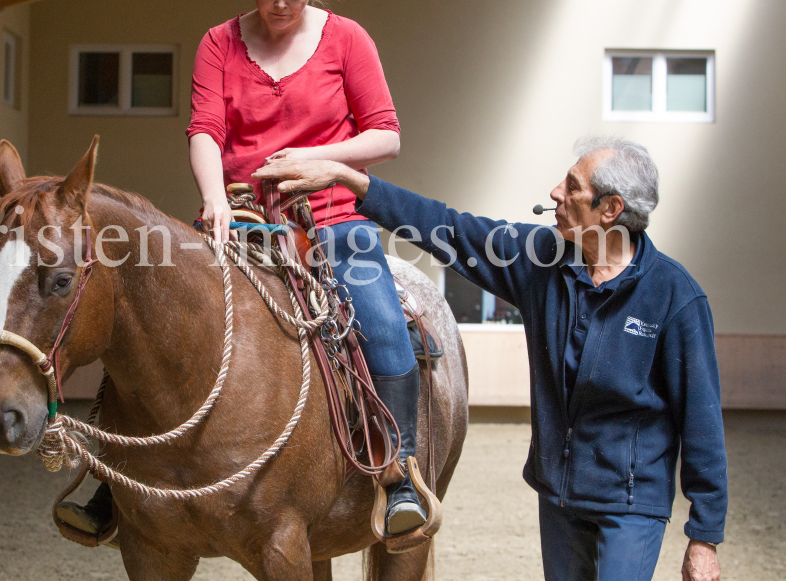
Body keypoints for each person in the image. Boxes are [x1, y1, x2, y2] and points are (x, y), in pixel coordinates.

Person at [58, 0, 429, 540]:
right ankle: (116, 481)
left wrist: (317, 161)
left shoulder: (347, 39)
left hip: (331, 217)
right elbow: (204, 128)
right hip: (238, 214)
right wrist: (212, 199)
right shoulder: (218, 43)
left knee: (383, 322)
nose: (279, 7)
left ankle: (397, 474)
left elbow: (386, 134)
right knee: (150, 319)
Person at [254, 137, 727, 581]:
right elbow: (451, 228)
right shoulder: (543, 261)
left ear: (611, 209)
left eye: (573, 186)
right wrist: (356, 182)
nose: (555, 193)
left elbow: (701, 417)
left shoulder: (674, 296)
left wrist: (704, 536)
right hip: (559, 498)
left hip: (630, 503)